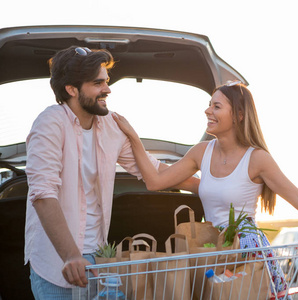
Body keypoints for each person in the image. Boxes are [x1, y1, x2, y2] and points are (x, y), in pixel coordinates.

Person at [113, 81, 298, 294]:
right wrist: (132, 139)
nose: (207, 111)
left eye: (216, 106)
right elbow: (156, 180)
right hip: (212, 249)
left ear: (238, 115)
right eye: (208, 105)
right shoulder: (201, 152)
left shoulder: (257, 158)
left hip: (245, 250)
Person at [25, 45, 199, 300]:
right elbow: (43, 194)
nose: (107, 89)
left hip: (100, 262)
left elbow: (154, 170)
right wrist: (71, 255)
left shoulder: (110, 124)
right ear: (71, 90)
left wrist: (207, 187)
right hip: (56, 264)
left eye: (106, 81)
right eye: (98, 83)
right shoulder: (49, 123)